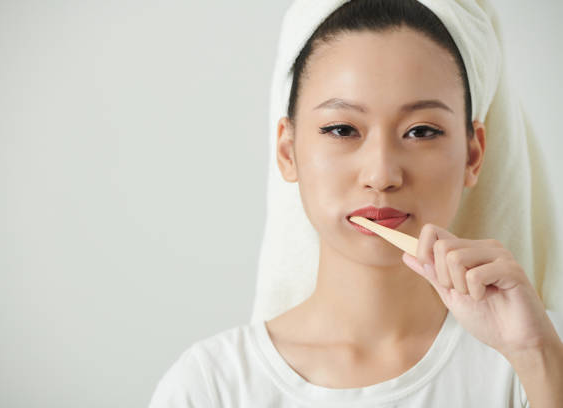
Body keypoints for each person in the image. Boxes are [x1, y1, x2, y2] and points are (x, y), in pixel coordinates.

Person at [149, 0, 563, 406]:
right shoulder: (212, 386)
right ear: (287, 151)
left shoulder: (530, 362)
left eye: (421, 131)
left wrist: (537, 357)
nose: (382, 174)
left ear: (474, 155)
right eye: (342, 129)